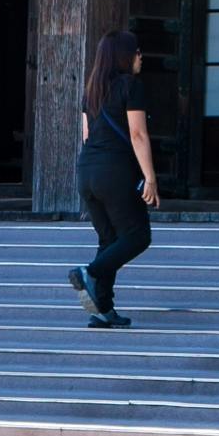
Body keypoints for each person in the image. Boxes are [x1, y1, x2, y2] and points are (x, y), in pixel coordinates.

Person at [69, 29, 156, 328]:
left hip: (87, 171)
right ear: (124, 55)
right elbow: (138, 134)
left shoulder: (91, 91)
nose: (140, 56)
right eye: (136, 51)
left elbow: (86, 135)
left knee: (108, 239)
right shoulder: (131, 86)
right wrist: (150, 178)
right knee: (138, 236)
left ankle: (102, 308)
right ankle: (90, 273)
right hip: (115, 170)